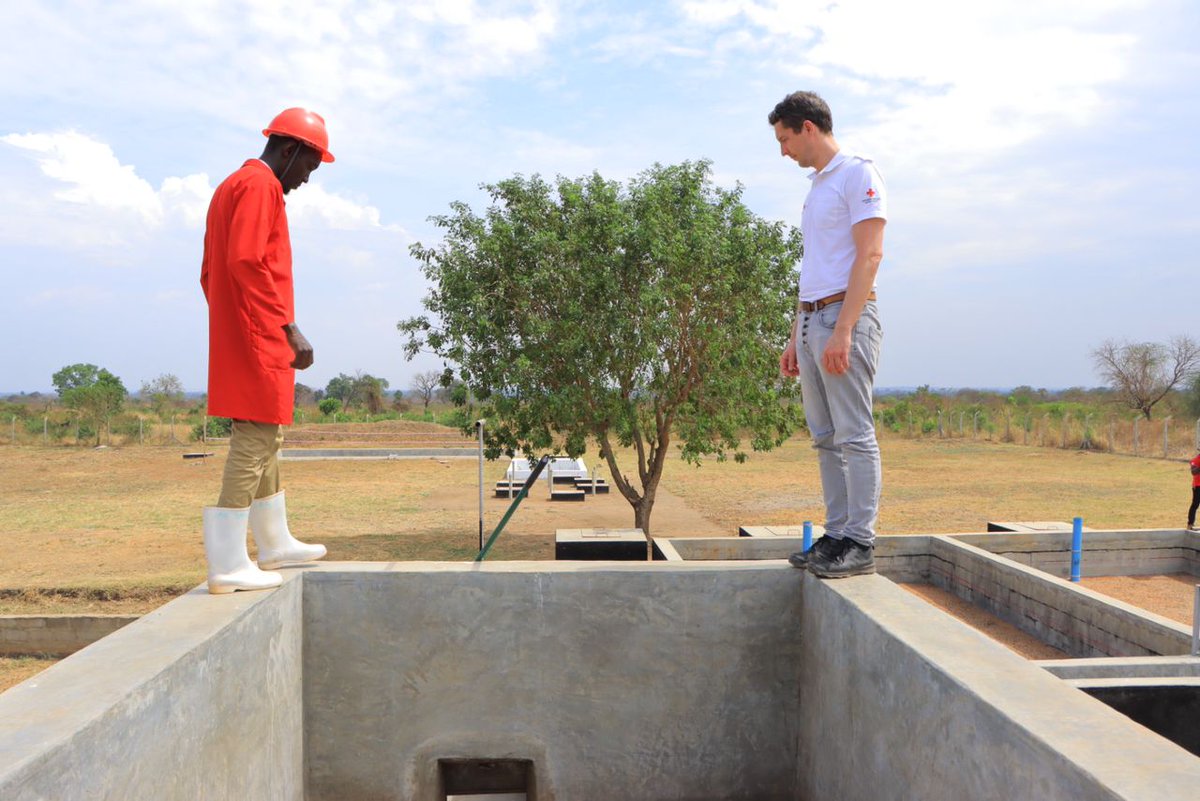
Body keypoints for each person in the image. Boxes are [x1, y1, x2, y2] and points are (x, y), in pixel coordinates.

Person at [198, 108, 333, 594]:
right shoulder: (261, 187)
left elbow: (210, 274)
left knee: (268, 438)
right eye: (308, 169)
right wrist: (287, 328)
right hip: (260, 334)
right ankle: (228, 564)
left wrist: (235, 323)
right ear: (289, 150)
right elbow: (246, 261)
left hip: (244, 331)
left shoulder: (230, 187)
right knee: (253, 442)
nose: (304, 180)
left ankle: (274, 542)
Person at [769, 91, 887, 579]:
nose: (783, 151)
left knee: (855, 436)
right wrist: (796, 332)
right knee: (824, 438)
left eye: (785, 138)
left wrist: (843, 330)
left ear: (808, 128)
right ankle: (836, 536)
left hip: (846, 317)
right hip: (812, 319)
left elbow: (870, 255)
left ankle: (860, 541)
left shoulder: (859, 173)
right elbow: (815, 265)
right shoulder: (818, 186)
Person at [1188, 449, 1200, 532]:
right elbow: (1193, 472)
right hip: (1198, 485)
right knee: (1195, 504)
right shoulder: (1195, 460)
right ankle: (1190, 524)